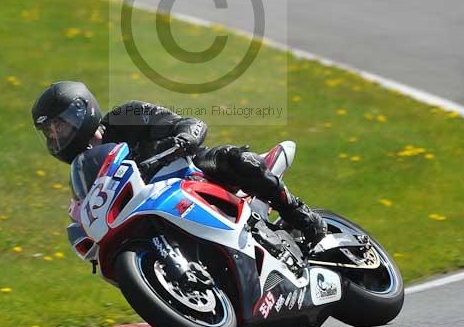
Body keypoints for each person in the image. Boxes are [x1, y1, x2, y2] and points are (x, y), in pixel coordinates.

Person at [32, 80, 327, 247]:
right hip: (152, 210)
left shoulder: (127, 116)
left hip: (187, 171)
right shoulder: (84, 168)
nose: (57, 135)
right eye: (50, 132)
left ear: (82, 110)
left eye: (60, 124)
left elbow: (185, 123)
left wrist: (183, 137)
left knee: (235, 159)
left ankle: (300, 214)